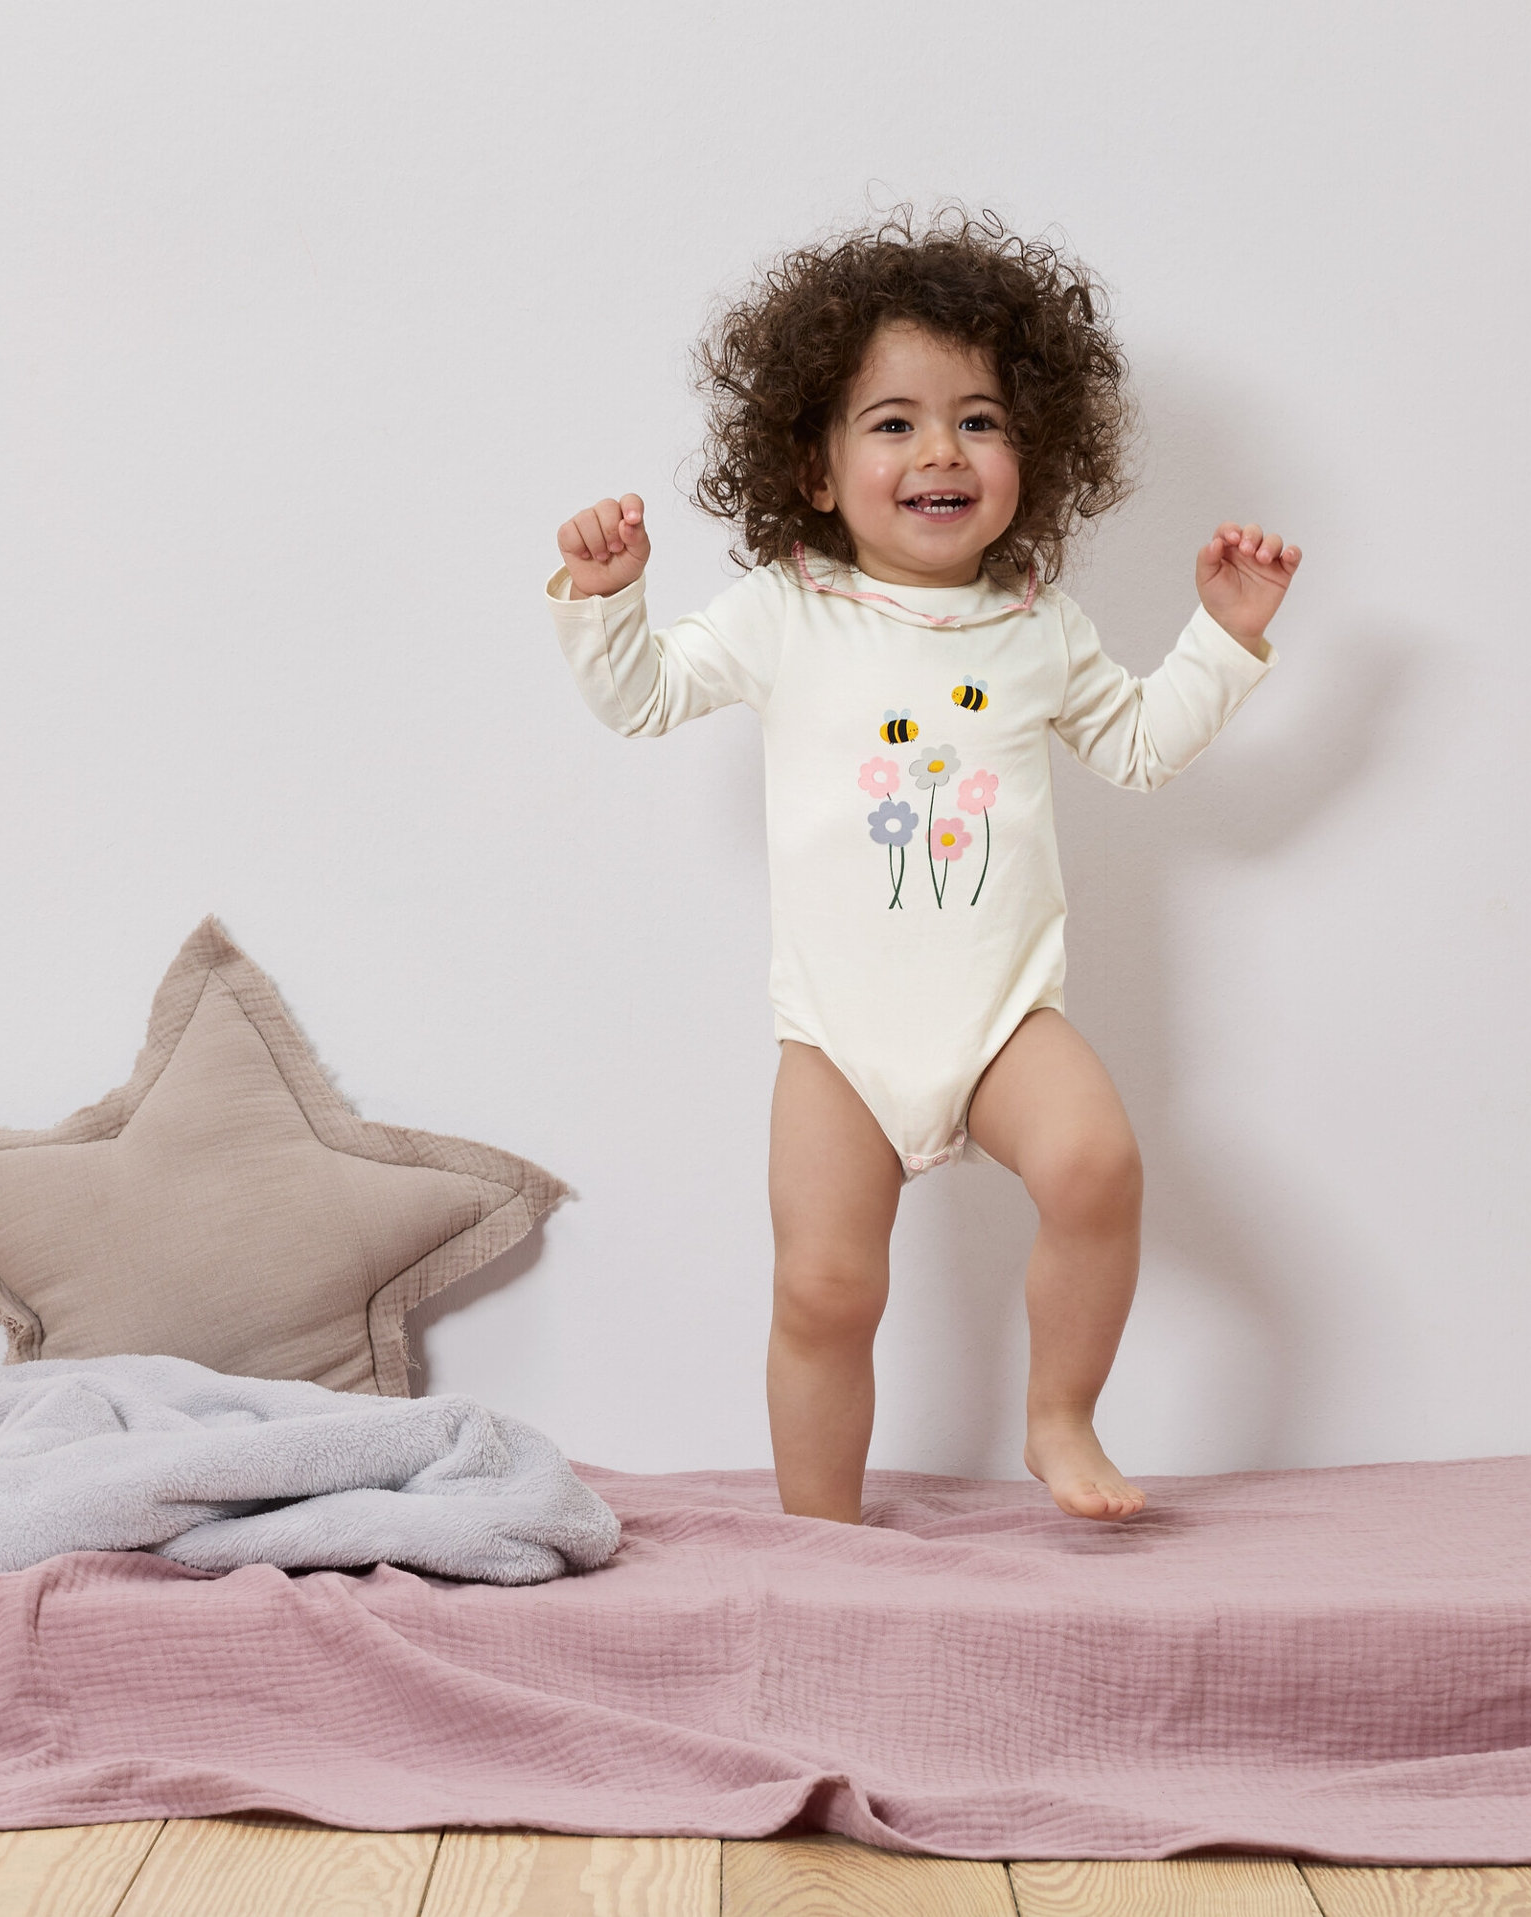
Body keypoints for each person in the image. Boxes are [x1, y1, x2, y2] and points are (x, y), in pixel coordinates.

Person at [547, 210, 1300, 1525]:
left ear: (1033, 456)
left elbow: (1134, 747)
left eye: (980, 421)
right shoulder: (784, 609)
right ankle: (821, 1532)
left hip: (1002, 1018)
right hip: (839, 1041)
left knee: (1097, 1167)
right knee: (824, 1290)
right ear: (816, 467)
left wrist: (1223, 639)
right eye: (892, 422)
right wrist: (607, 596)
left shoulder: (1036, 625)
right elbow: (644, 698)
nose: (940, 450)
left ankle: (1060, 1415)